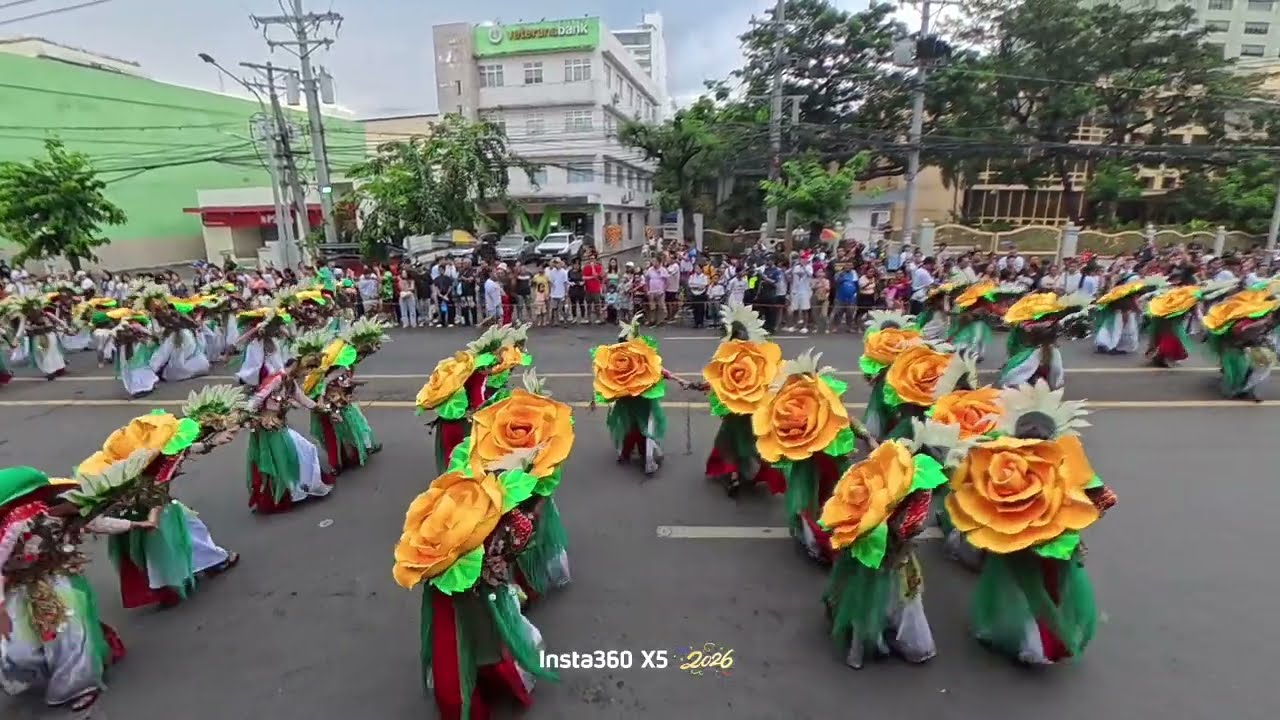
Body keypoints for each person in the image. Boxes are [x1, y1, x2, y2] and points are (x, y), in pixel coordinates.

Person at [945, 381, 1116, 666]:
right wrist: (1074, 522)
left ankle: (1022, 641)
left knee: (1016, 591)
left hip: (1011, 541)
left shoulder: (997, 457)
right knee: (1049, 592)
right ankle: (1041, 646)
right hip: (1053, 545)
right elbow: (1105, 498)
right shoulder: (1065, 459)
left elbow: (967, 494)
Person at [393, 453, 556, 720]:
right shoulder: (518, 523)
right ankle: (490, 680)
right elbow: (513, 551)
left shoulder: (460, 500)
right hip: (481, 591)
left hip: (447, 587)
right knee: (489, 638)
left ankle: (474, 684)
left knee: (458, 645)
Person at [69, 393, 244, 610]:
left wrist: (213, 442)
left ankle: (189, 573)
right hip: (152, 510)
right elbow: (157, 496)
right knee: (184, 534)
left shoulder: (135, 464)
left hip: (136, 512)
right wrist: (150, 521)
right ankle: (211, 563)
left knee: (166, 544)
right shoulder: (160, 468)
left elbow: (185, 450)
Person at [820, 419, 964, 668]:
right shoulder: (919, 489)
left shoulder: (896, 469)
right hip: (886, 551)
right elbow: (903, 527)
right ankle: (864, 645)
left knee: (871, 596)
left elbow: (873, 452)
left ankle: (858, 641)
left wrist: (865, 436)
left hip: (873, 545)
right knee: (879, 598)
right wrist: (902, 538)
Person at [0, 467, 145, 713]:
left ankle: (79, 685)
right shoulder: (8, 531)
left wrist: (133, 525)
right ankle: (53, 667)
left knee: (69, 636)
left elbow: (96, 523)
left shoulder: (60, 510)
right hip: (17, 590)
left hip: (59, 582)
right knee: (18, 648)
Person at [753, 348, 867, 563]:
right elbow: (773, 425)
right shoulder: (786, 396)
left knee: (819, 497)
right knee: (809, 500)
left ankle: (815, 537)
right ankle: (813, 539)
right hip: (807, 456)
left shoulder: (817, 393)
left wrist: (864, 436)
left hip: (823, 455)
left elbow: (845, 417)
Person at [590, 314, 693, 477]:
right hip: (640, 400)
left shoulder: (616, 357)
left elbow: (602, 380)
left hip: (629, 401)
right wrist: (681, 381)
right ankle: (645, 459)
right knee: (642, 428)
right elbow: (661, 371)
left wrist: (595, 398)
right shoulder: (638, 356)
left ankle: (628, 454)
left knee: (633, 427)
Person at [700, 304, 786, 497]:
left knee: (731, 441)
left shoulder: (731, 356)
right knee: (748, 441)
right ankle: (741, 474)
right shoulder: (759, 357)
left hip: (738, 409)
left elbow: (718, 380)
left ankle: (734, 476)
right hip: (749, 408)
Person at [244, 356, 335, 514]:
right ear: (298, 367)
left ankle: (303, 486)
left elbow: (303, 399)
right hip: (269, 428)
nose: (307, 374)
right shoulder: (277, 379)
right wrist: (250, 419)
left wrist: (322, 409)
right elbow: (258, 398)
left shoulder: (290, 383)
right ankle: (287, 494)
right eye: (307, 370)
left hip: (279, 425)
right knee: (281, 462)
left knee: (305, 451)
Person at [1201, 281, 1279, 401]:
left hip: (1253, 344)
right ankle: (1243, 389)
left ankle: (1247, 390)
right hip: (1239, 343)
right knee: (1245, 368)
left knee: (1257, 366)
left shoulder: (1262, 315)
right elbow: (1236, 328)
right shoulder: (1247, 313)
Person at [997, 292, 1092, 390]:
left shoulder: (1052, 321)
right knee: (1024, 369)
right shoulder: (1025, 323)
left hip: (1044, 350)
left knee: (1052, 367)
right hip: (1031, 351)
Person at [1093, 277, 1162, 355]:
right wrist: (1128, 319)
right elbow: (1129, 310)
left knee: (1108, 330)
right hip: (1120, 315)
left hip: (1114, 314)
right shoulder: (1130, 298)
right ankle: (1112, 347)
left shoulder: (1122, 295)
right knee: (1117, 331)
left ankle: (1104, 345)